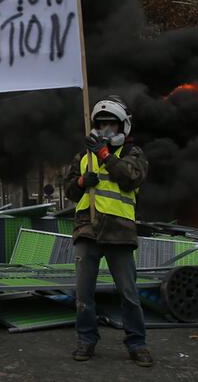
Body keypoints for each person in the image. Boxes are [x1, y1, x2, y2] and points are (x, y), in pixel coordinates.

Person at [63, 95, 152, 367]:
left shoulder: (132, 154)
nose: (105, 130)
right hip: (87, 230)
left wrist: (105, 155)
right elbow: (68, 190)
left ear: (122, 126)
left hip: (120, 233)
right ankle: (86, 340)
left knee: (128, 293)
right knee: (84, 293)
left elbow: (131, 178)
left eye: (111, 125)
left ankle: (137, 344)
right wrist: (80, 181)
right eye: (101, 125)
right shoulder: (83, 156)